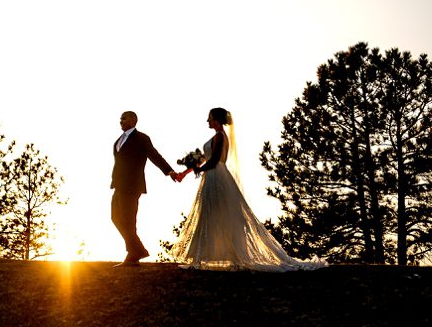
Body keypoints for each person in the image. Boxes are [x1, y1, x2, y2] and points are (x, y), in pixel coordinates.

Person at [172, 107, 325, 271]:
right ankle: (202, 256)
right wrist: (185, 172)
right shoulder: (216, 137)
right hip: (212, 176)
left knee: (215, 212)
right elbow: (203, 159)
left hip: (216, 176)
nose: (207, 121)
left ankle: (219, 257)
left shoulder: (220, 137)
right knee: (209, 212)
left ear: (216, 119)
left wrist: (198, 170)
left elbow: (214, 160)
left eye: (209, 118)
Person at [110, 110, 182, 266]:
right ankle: (137, 250)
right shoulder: (119, 140)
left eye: (124, 118)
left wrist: (169, 171)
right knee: (115, 217)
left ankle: (133, 255)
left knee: (129, 220)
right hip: (118, 185)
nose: (121, 121)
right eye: (120, 119)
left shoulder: (142, 138)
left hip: (132, 186)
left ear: (133, 120)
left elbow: (154, 155)